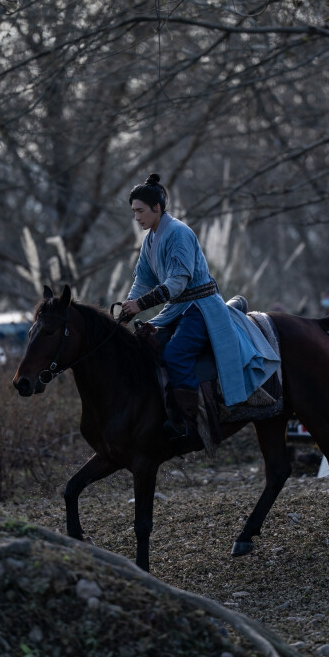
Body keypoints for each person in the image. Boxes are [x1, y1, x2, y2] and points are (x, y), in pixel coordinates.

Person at [120, 173, 280, 451]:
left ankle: (187, 421)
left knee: (175, 353)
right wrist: (128, 306)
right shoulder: (150, 240)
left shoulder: (179, 233)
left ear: (157, 208)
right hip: (178, 309)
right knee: (148, 345)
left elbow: (177, 282)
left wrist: (141, 305)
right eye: (134, 212)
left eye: (140, 211)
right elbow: (143, 279)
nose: (136, 217)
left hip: (202, 307)